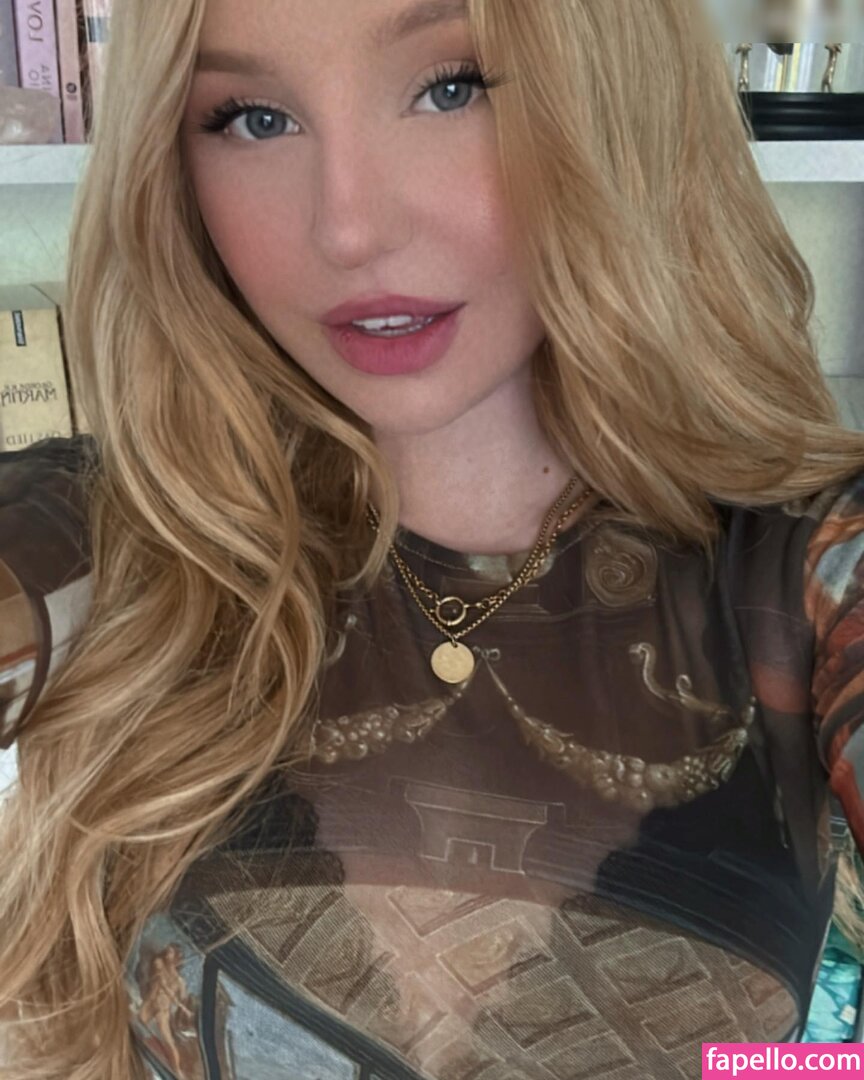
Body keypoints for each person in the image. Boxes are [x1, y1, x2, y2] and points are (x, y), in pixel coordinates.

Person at [0, 0, 863, 1077]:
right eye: (253, 118)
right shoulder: (118, 533)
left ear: (617, 95)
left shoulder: (810, 566)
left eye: (452, 88)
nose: (349, 228)